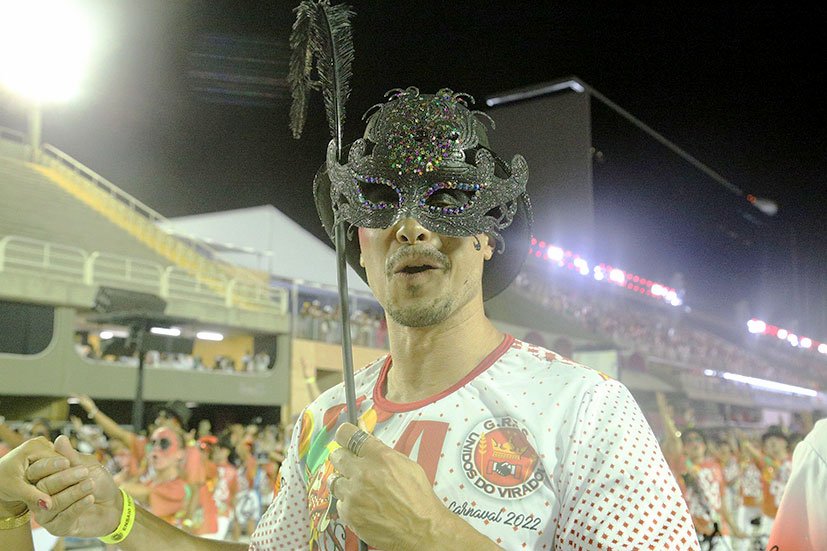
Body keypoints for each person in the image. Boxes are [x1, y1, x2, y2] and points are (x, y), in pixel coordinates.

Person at [1, 88, 697, 550]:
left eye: (446, 198)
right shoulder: (323, 419)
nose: (411, 226)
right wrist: (117, 515)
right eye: (380, 200)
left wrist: (431, 535)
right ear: (357, 242)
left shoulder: (585, 410)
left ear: (488, 236)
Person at [767, 418, 827, 551]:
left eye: (776, 440)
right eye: (769, 441)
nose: (772, 444)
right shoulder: (768, 464)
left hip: (791, 518)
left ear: (784, 442)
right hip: (773, 515)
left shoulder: (815, 448)